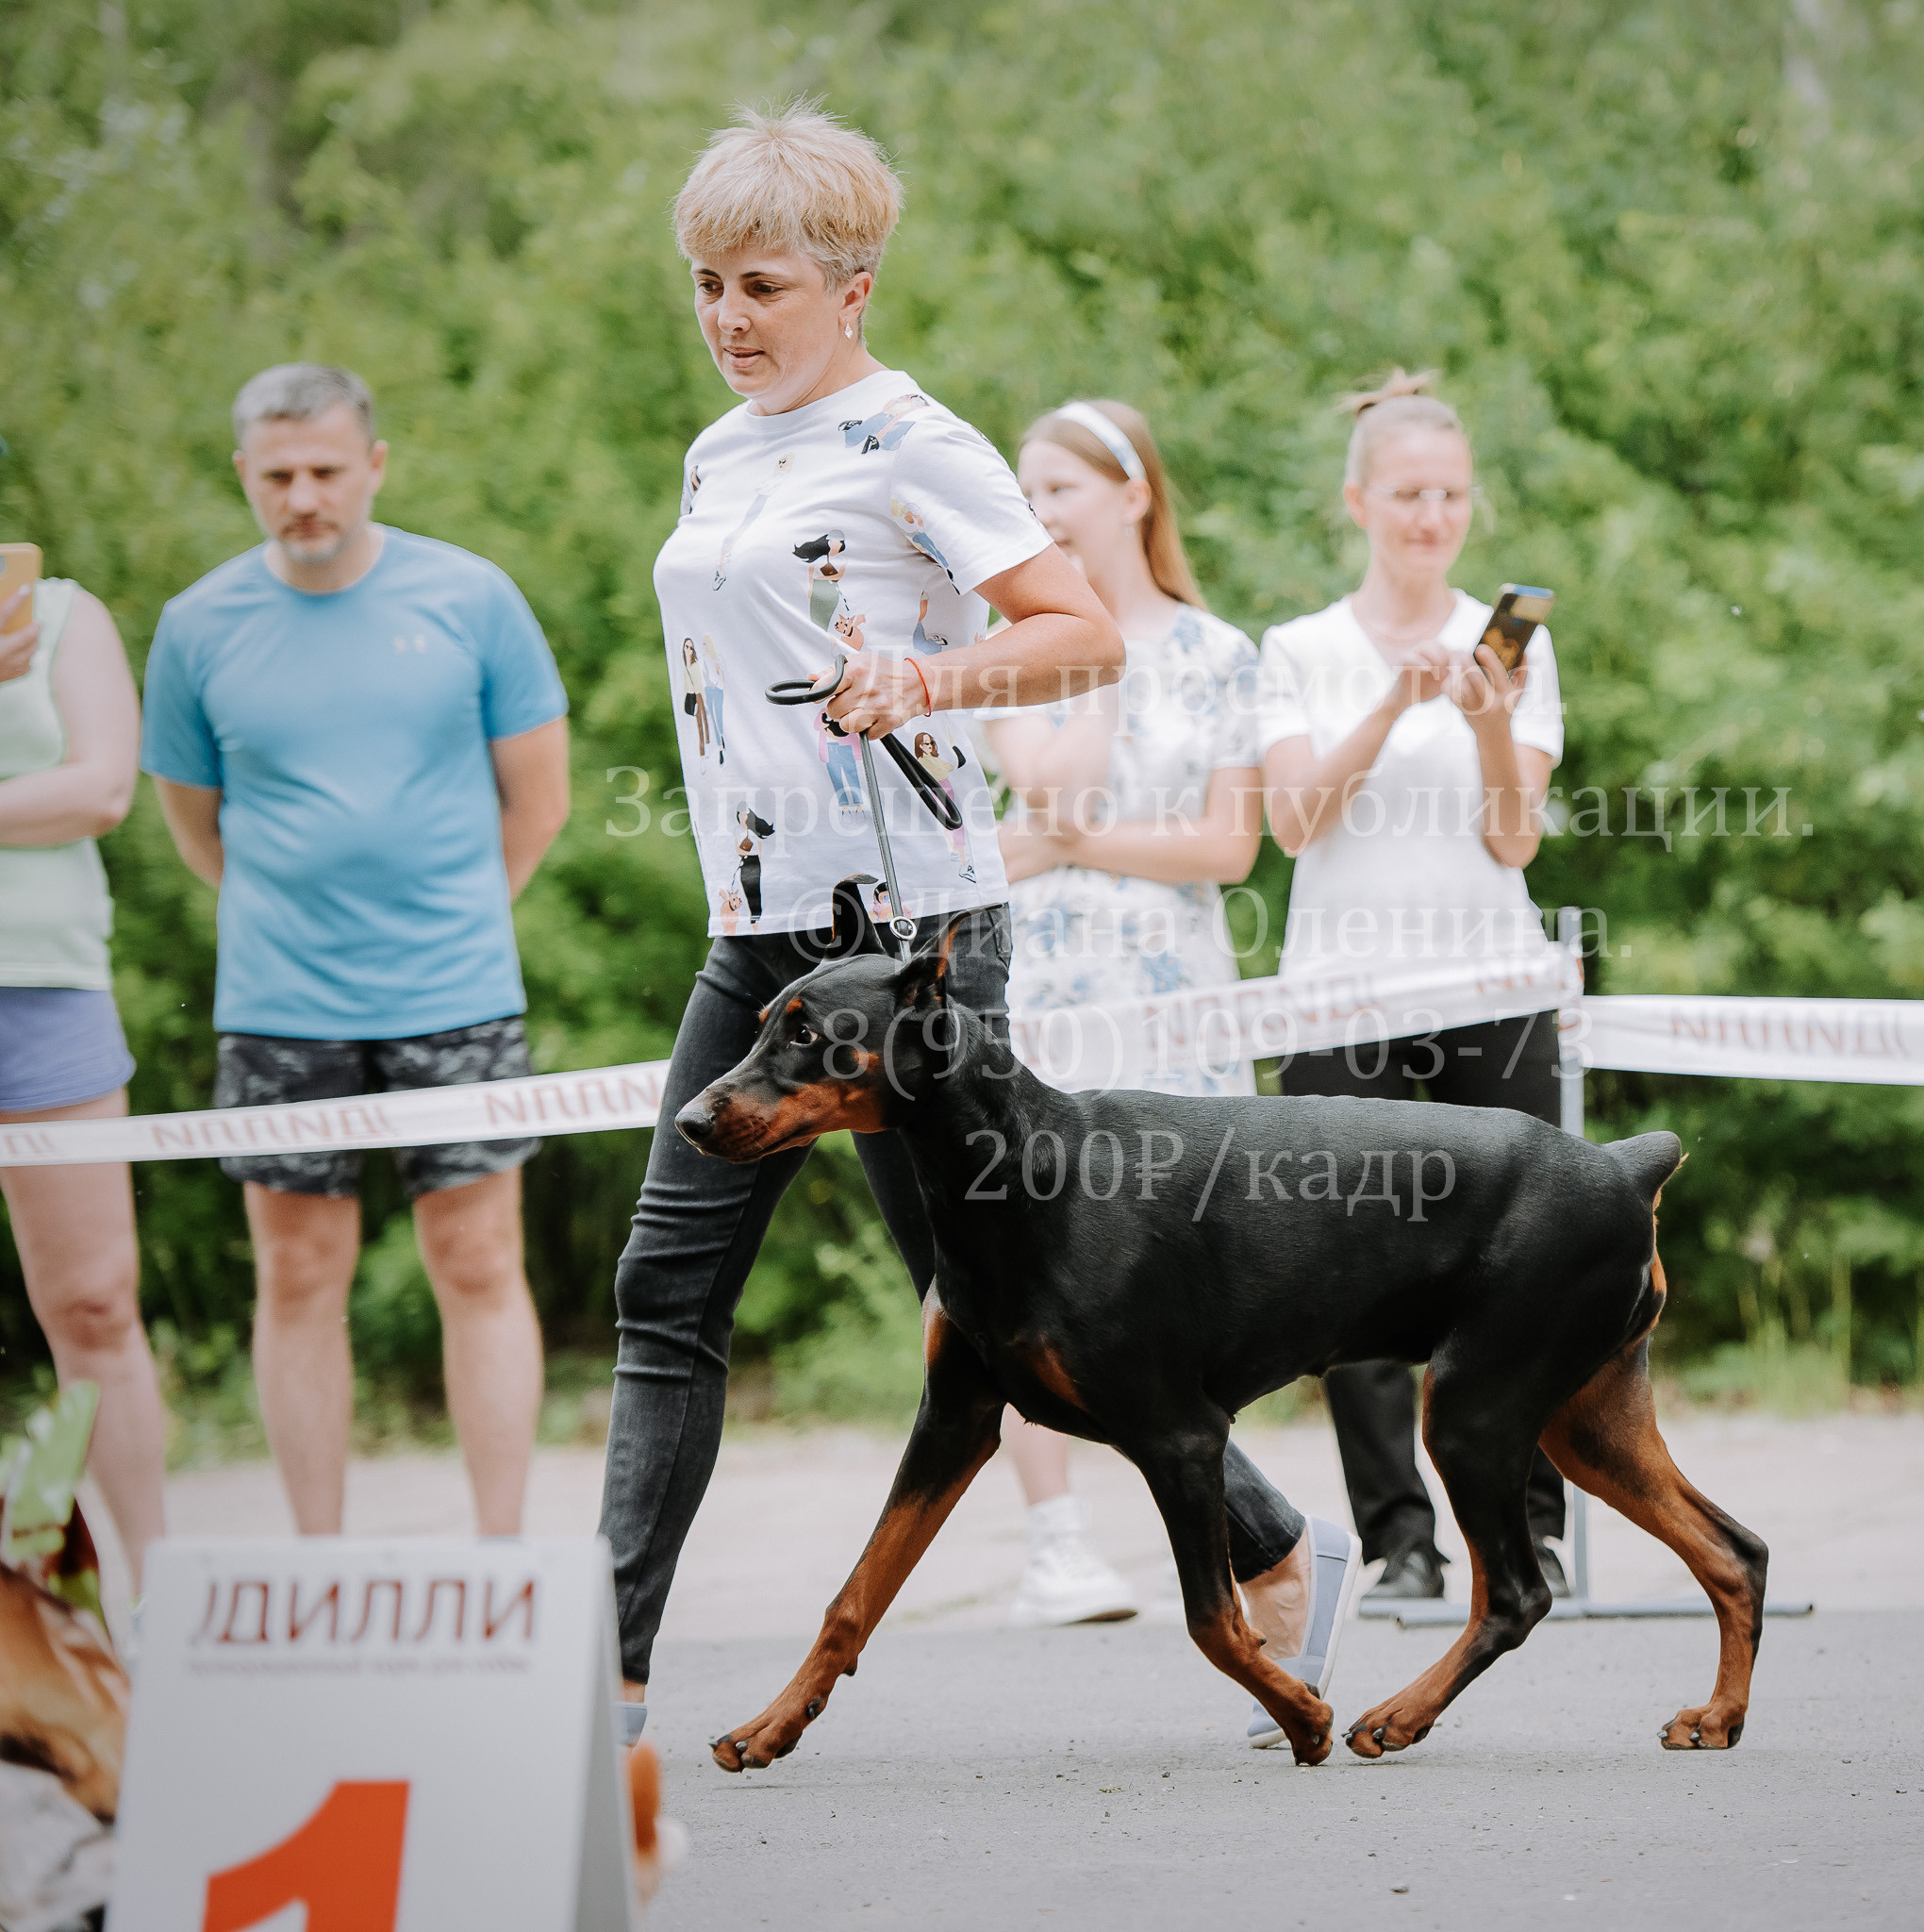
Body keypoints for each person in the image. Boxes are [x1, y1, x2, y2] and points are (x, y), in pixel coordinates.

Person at [602, 105, 1352, 1744]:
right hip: (759, 931)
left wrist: (929, 676)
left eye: (764, 286)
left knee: (1012, 1305)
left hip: (911, 942)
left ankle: (1275, 1536)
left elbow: (1084, 635)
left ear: (853, 288)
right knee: (666, 1286)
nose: (729, 317)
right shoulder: (719, 451)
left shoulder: (915, 440)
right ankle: (609, 1674)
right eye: (706, 285)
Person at [142, 362, 571, 1538]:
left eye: (328, 470)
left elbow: (536, 802)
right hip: (279, 1004)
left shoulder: (472, 595)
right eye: (278, 475)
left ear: (373, 465)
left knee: (480, 1261)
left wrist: (454, 916)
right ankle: (315, 1561)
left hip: (456, 990)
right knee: (295, 1276)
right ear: (245, 476)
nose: (305, 496)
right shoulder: (195, 626)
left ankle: (502, 1557)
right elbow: (196, 820)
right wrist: (297, 915)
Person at [1258, 369, 1572, 1605]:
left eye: (1448, 495)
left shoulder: (1518, 655)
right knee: (1351, 1278)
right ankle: (1398, 1538)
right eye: (1406, 494)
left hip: (1489, 978)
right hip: (1342, 995)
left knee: (1521, 1268)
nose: (1428, 516)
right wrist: (1393, 701)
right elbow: (1293, 822)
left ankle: (1523, 1529)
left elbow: (1517, 839)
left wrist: (1490, 719)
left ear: (1470, 507)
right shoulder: (1300, 651)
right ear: (1359, 501)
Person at [981, 397, 1275, 1630]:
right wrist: (1082, 659)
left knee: (1189, 1273)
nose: (1040, 512)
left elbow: (1227, 845)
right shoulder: (1002, 647)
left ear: (1132, 493)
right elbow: (1036, 790)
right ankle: (1055, 1543)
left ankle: (1220, 1529)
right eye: (1026, 493)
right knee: (1017, 1269)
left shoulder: (1220, 654)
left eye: (1061, 489)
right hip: (1042, 994)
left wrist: (1077, 845)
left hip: (1174, 995)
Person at [0, 564, 168, 1590]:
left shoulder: (60, 612)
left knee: (97, 1303)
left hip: (47, 989)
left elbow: (101, 789)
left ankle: (153, 1595)